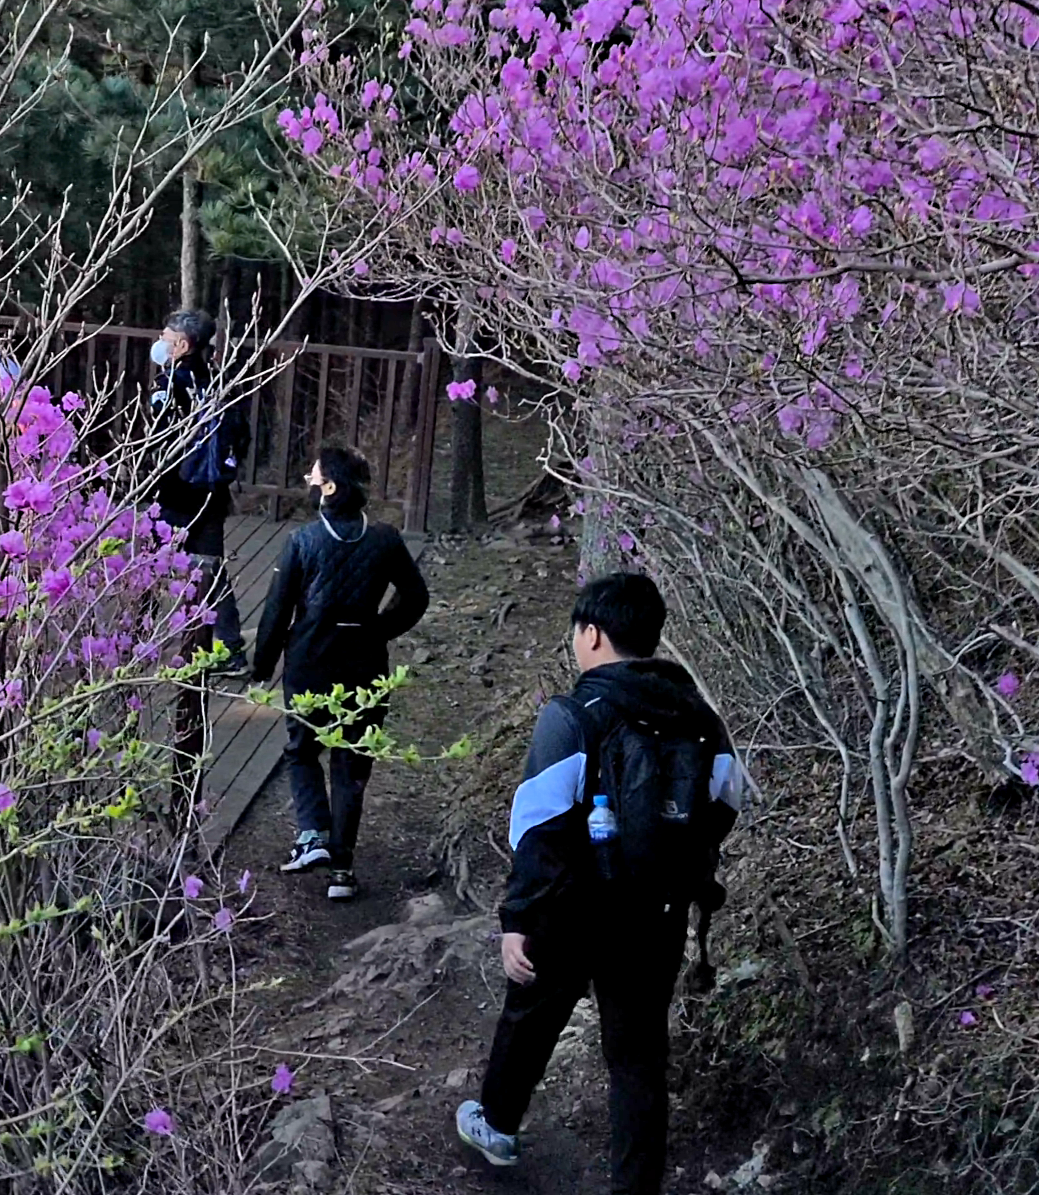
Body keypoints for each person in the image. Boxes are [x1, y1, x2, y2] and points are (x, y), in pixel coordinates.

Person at [456, 573, 742, 1193]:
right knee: (638, 1057)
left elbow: (539, 828)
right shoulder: (700, 716)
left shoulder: (572, 716)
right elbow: (726, 800)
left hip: (570, 906)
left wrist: (518, 918)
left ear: (592, 634)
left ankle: (498, 1127)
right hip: (656, 911)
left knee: (531, 1014)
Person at [250, 444, 429, 901]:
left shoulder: (303, 541)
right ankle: (342, 871)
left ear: (330, 486)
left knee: (302, 749)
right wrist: (379, 630)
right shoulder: (385, 538)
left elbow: (276, 610)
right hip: (364, 661)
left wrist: (262, 665)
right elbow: (416, 597)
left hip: (310, 657)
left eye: (313, 475)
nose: (308, 480)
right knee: (350, 763)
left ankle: (312, 836)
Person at [151, 309, 249, 818]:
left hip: (175, 494)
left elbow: (160, 441)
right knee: (211, 569)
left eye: (167, 337)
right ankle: (230, 647)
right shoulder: (218, 379)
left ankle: (140, 636)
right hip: (211, 493)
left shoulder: (174, 382)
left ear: (183, 345)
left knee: (149, 560)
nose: (159, 342)